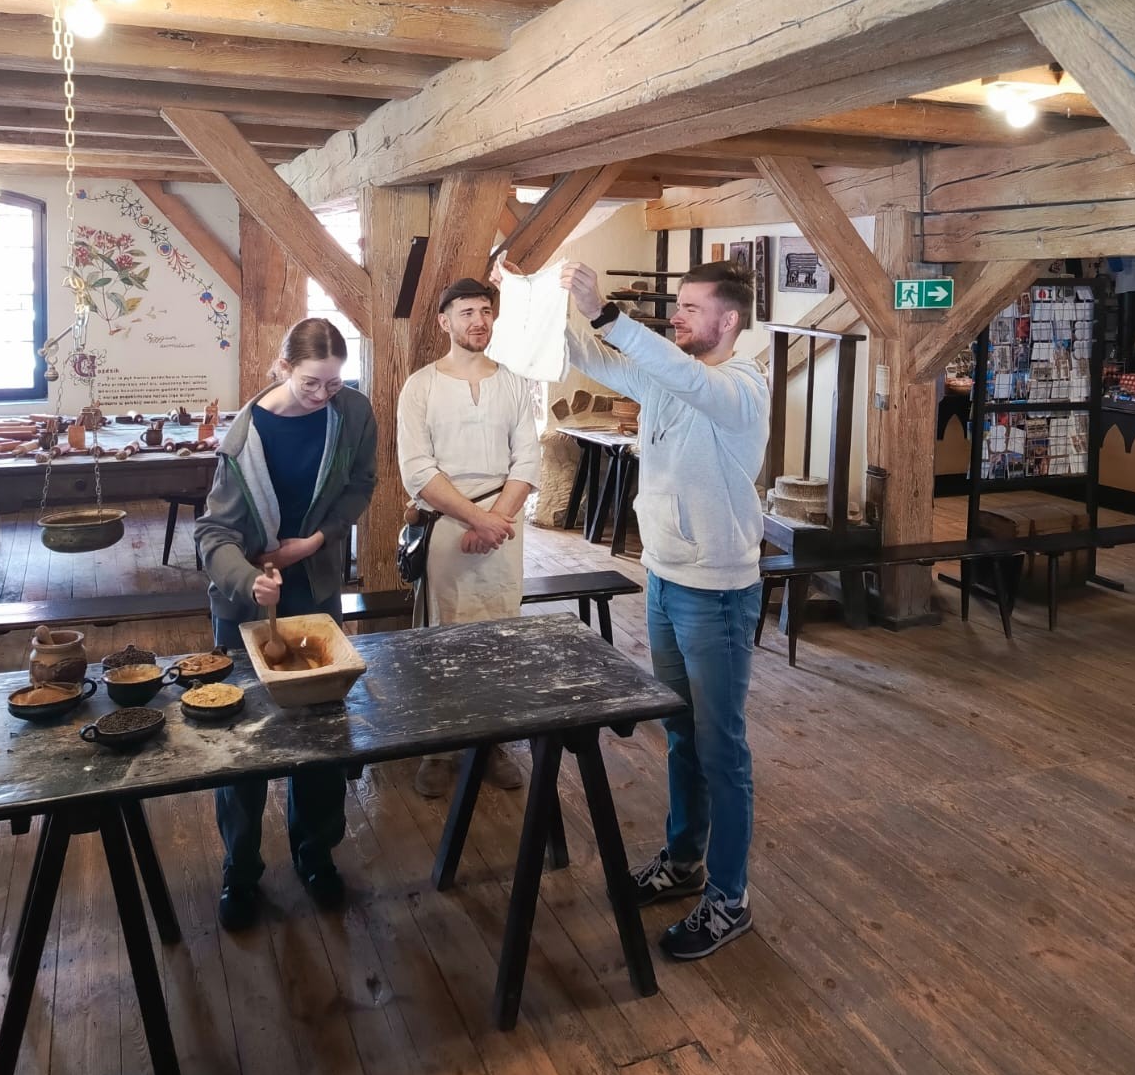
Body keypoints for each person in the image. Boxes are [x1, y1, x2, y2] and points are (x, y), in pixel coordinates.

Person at [560, 258, 770, 962]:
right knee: (680, 734)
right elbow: (596, 358)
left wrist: (606, 312)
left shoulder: (740, 387)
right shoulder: (670, 375)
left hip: (717, 592)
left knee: (721, 748)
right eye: (676, 305)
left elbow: (681, 375)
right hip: (664, 579)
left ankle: (730, 898)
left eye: (689, 307)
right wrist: (532, 310)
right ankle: (685, 863)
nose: (676, 316)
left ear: (729, 320)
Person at [195, 317, 377, 931]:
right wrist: (250, 579)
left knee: (321, 731)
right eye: (310, 383)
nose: (323, 395)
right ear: (281, 368)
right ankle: (240, 868)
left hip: (314, 589)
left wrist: (316, 541)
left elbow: (361, 484)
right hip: (248, 602)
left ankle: (315, 852)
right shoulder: (244, 438)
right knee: (241, 738)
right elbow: (212, 535)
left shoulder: (351, 414)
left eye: (334, 382)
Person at [396, 277, 542, 799]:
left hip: (503, 527)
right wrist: (476, 519)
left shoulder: (514, 383)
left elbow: (528, 459)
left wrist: (496, 519)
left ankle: (492, 742)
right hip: (447, 524)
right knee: (444, 634)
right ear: (445, 321)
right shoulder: (421, 386)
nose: (478, 321)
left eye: (485, 311)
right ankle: (441, 747)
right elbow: (417, 469)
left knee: (500, 634)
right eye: (466, 313)